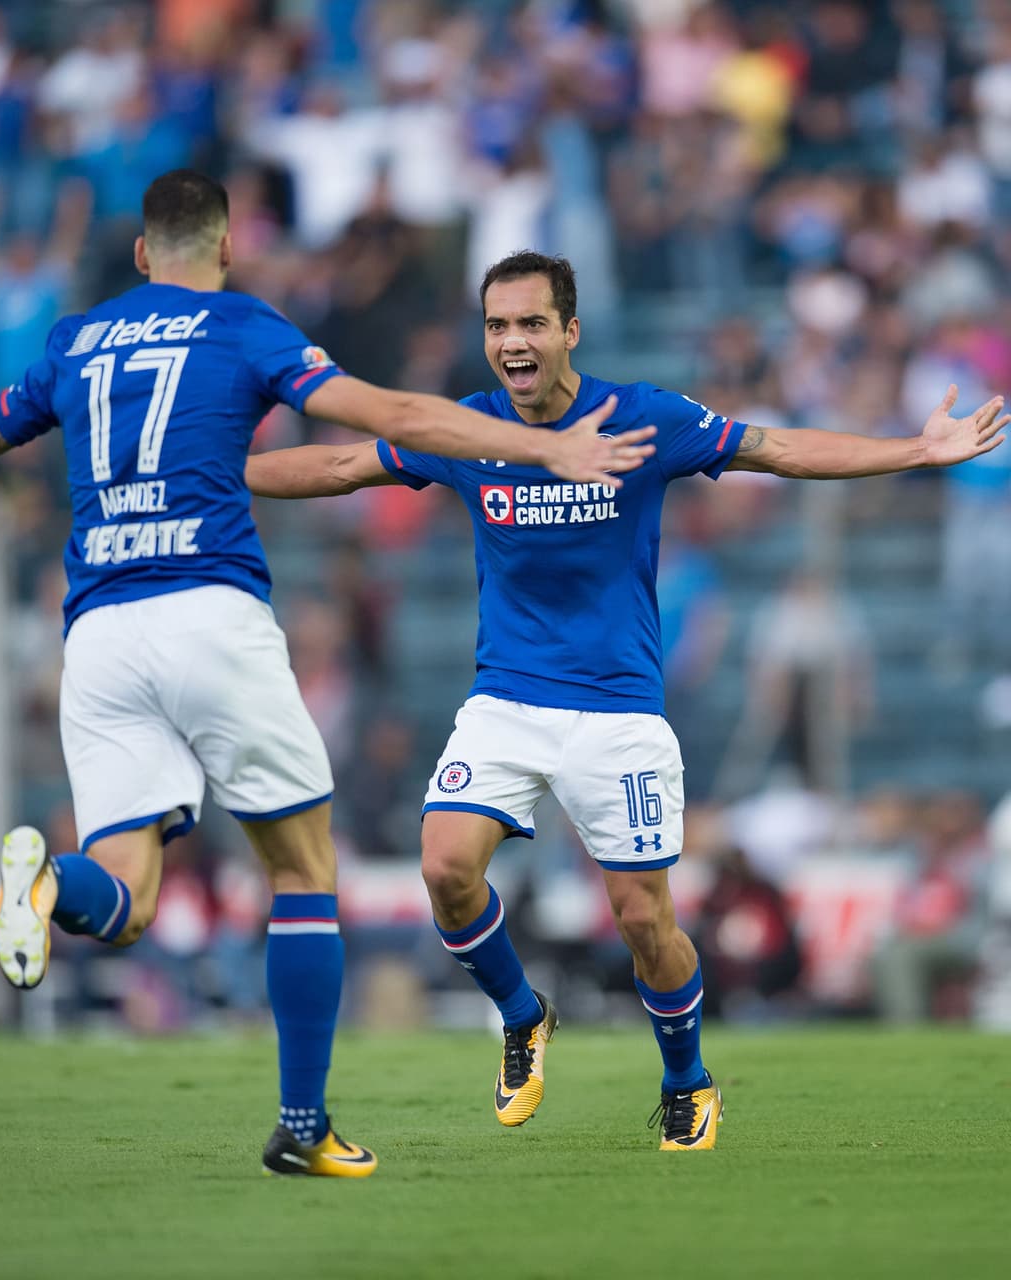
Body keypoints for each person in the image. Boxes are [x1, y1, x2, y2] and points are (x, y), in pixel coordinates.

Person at [0, 174, 656, 1178]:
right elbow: (389, 411)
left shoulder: (76, 340)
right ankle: (302, 1124)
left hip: (96, 633)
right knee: (301, 871)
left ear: (140, 254)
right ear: (225, 249)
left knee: (125, 898)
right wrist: (541, 446)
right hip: (207, 613)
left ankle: (47, 880)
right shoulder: (243, 325)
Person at [243, 249, 1007, 1151]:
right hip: (507, 702)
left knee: (645, 919)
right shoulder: (468, 430)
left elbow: (775, 449)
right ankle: (523, 1016)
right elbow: (340, 465)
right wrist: (210, 473)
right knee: (445, 870)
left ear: (570, 330)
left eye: (532, 323)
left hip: (619, 711)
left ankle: (686, 1079)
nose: (513, 341)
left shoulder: (643, 417)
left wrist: (918, 449)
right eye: (497, 325)